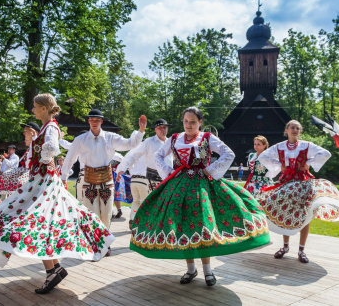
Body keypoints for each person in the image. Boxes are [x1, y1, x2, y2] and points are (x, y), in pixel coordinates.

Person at [0, 94, 114, 294]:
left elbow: (53, 147)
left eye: (35, 106)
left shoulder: (51, 127)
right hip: (41, 182)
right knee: (39, 223)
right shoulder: (46, 128)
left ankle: (52, 271)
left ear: (45, 108)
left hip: (46, 183)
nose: (33, 110)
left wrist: (46, 160)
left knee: (37, 224)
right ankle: (55, 268)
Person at [130, 107, 270, 286]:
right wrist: (168, 172)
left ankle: (208, 271)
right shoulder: (175, 138)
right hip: (178, 187)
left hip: (202, 187)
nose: (189, 125)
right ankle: (190, 269)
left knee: (203, 224)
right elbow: (158, 155)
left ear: (200, 123)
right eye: (186, 121)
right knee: (184, 226)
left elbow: (229, 154)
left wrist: (209, 170)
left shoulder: (207, 138)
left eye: (193, 122)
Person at [257, 120, 339, 263]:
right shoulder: (279, 147)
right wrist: (278, 165)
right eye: (292, 127)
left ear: (299, 131)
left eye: (297, 128)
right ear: (286, 130)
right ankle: (285, 247)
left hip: (303, 182)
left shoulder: (307, 145)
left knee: (306, 215)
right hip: (286, 182)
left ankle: (301, 250)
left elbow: (325, 153)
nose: (294, 130)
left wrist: (308, 163)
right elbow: (263, 156)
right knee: (284, 211)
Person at [60, 109, 146, 241]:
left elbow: (130, 144)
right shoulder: (80, 140)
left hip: (106, 180)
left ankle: (104, 242)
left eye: (97, 120)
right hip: (88, 181)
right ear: (88, 121)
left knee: (106, 215)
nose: (94, 122)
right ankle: (96, 243)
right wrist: (64, 177)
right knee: (93, 214)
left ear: (101, 121)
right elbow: (70, 158)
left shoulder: (111, 138)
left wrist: (140, 131)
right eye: (92, 120)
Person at [116, 118, 173, 229]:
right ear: (155, 129)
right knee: (153, 204)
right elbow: (134, 154)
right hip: (152, 177)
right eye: (160, 127)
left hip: (168, 177)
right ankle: (148, 227)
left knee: (166, 204)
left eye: (165, 127)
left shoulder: (170, 142)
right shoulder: (149, 142)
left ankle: (162, 228)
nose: (163, 130)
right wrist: (123, 168)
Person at [0, 123, 40, 197]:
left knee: (19, 183)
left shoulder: (37, 144)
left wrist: (34, 137)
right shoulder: (31, 147)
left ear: (33, 132)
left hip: (33, 174)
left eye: (26, 131)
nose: (24, 133)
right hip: (27, 172)